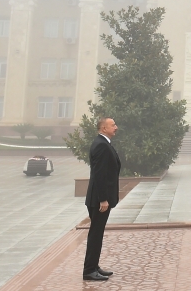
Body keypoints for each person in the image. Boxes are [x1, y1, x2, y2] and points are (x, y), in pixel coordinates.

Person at [83, 116, 121, 281]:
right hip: (98, 200)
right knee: (95, 234)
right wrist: (103, 199)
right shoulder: (101, 145)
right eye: (112, 125)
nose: (116, 127)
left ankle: (94, 266)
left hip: (99, 198)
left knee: (97, 234)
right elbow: (99, 175)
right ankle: (89, 270)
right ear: (103, 128)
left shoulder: (104, 143)